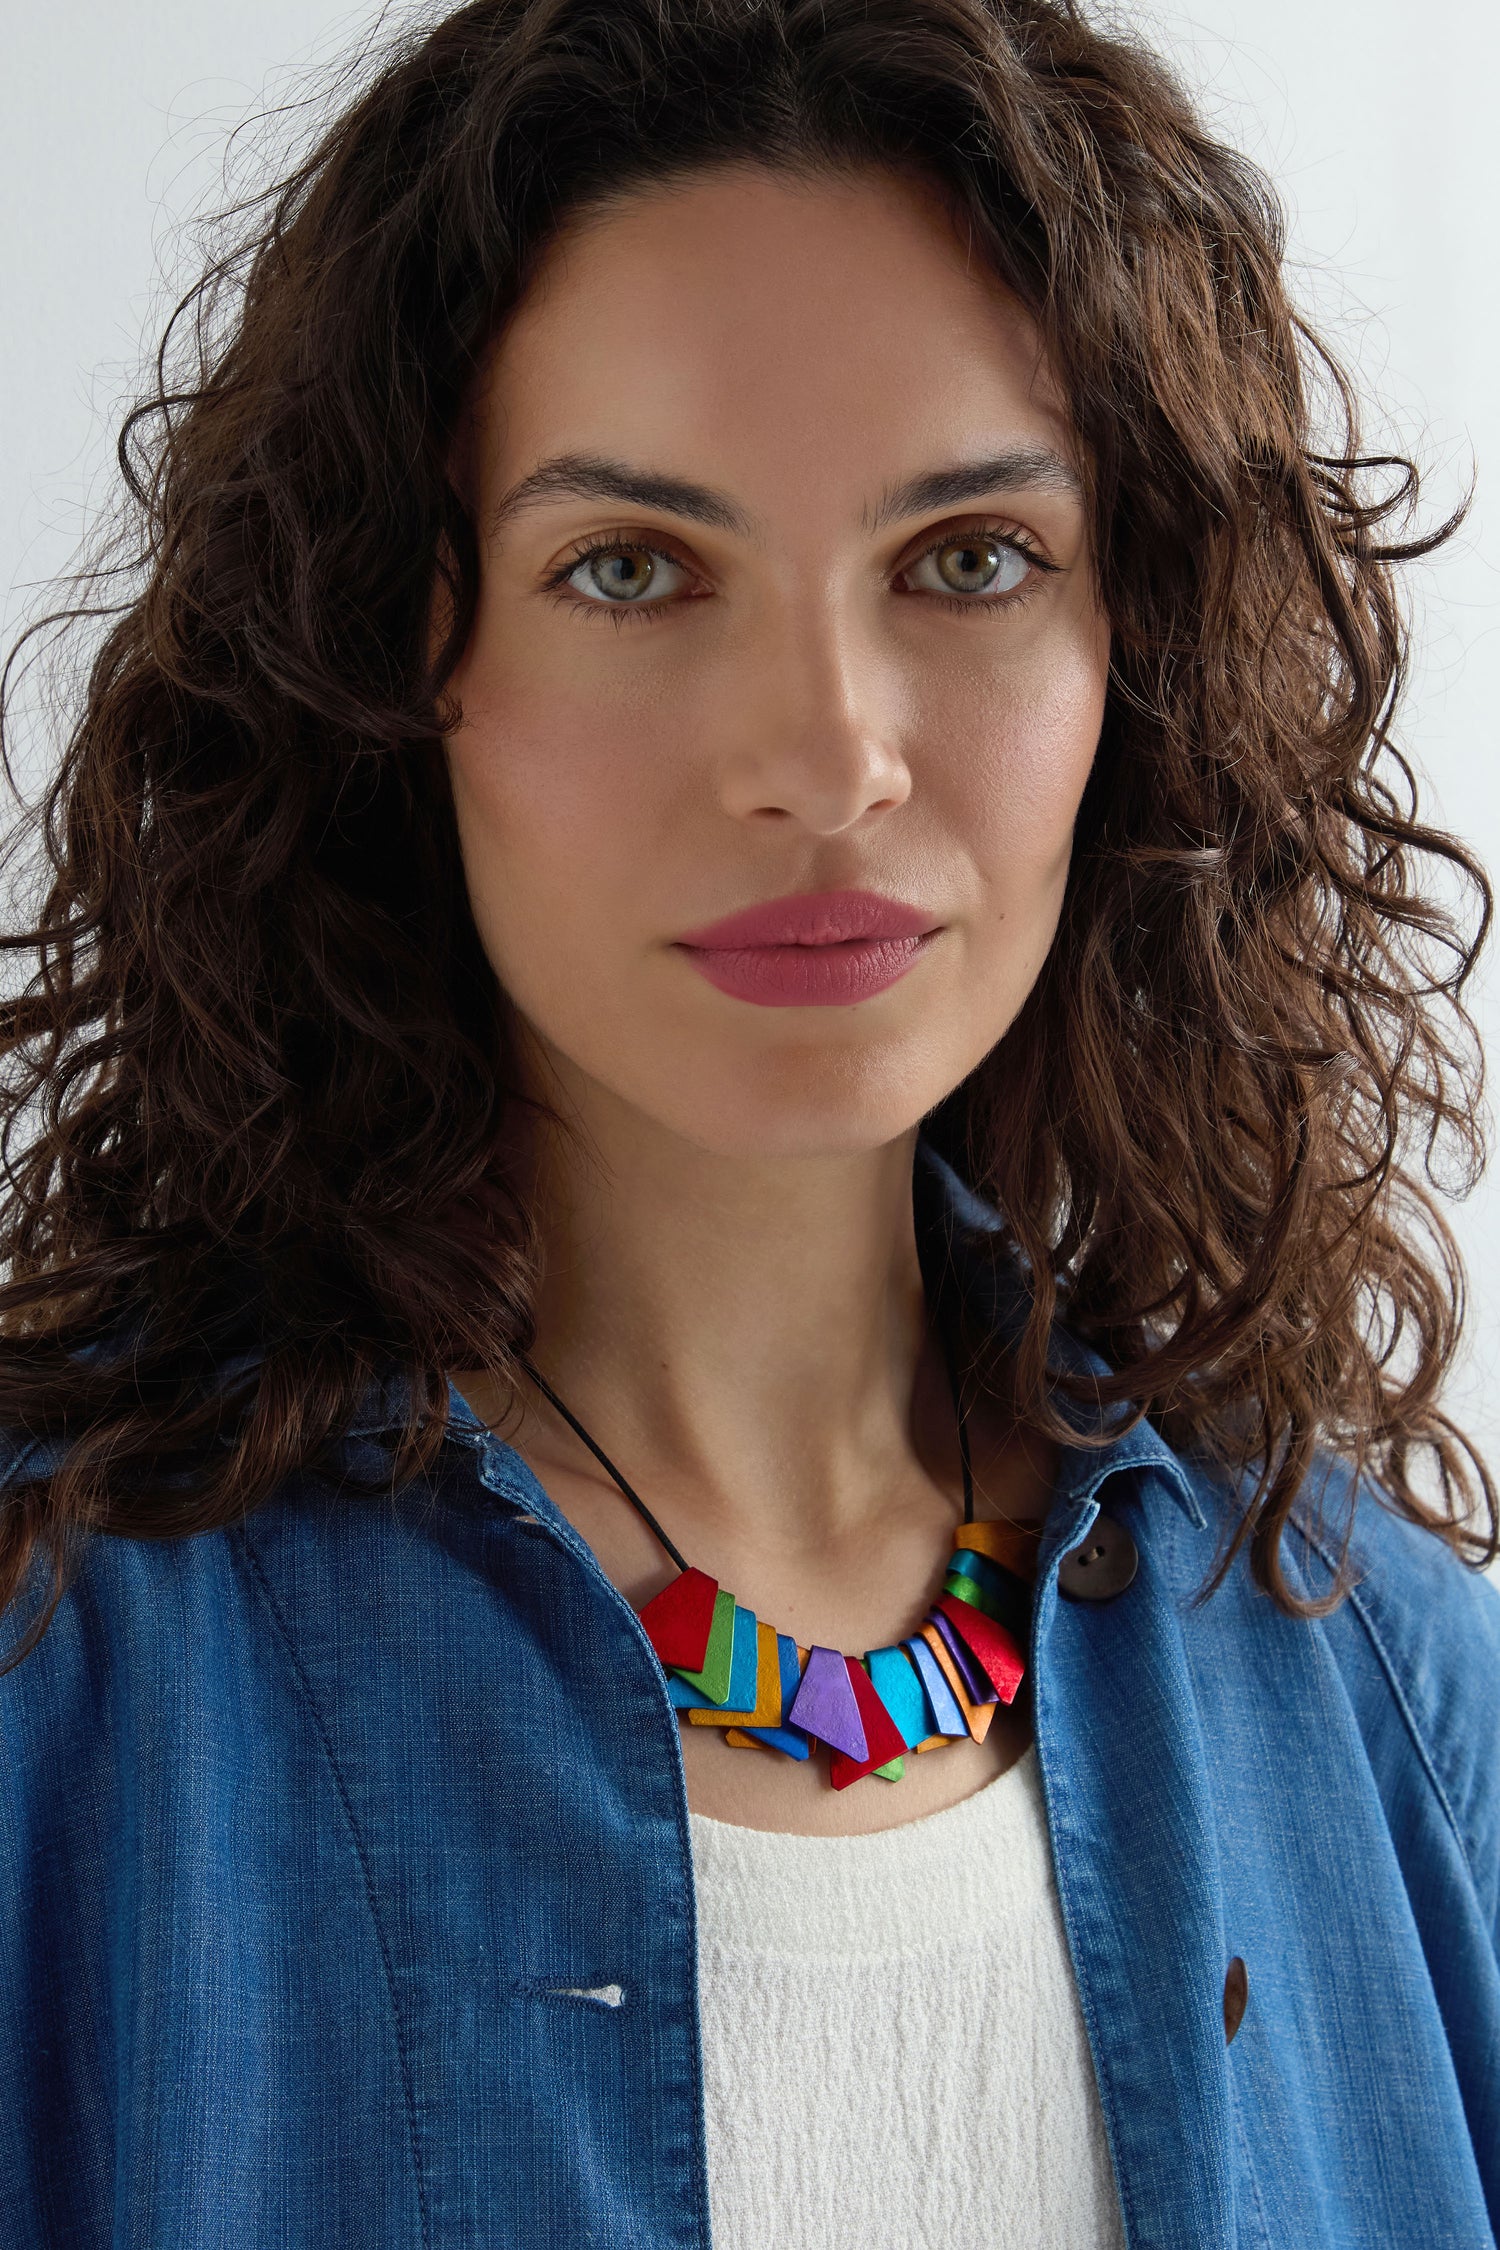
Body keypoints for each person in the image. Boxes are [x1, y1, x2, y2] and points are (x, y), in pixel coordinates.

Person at [0, 0, 1496, 2241]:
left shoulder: (1381, 1676)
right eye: (632, 568)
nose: (825, 753)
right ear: (397, 662)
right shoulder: (62, 1664)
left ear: (1138, 656)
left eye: (971, 558)